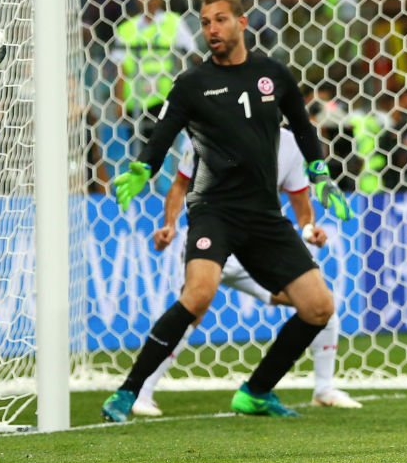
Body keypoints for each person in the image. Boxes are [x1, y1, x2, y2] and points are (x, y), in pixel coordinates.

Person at [101, 0, 353, 422]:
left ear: (243, 22)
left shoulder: (273, 75)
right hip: (213, 210)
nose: (211, 29)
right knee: (198, 296)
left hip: (263, 216)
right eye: (205, 22)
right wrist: (144, 167)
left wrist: (319, 173)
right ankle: (128, 392)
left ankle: (255, 392)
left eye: (220, 20)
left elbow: (302, 126)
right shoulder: (193, 83)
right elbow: (163, 134)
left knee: (318, 307)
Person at [133, 130, 362, 416]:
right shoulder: (213, 132)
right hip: (212, 243)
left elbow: (301, 202)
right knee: (190, 312)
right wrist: (170, 223)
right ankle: (142, 392)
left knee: (319, 305)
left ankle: (324, 389)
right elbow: (180, 185)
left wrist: (307, 229)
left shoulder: (290, 143)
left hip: (255, 250)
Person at [110, 0, 198, 151]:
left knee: (162, 149)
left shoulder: (173, 21)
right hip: (134, 98)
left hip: (164, 96)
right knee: (139, 151)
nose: (147, 0)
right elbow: (120, 68)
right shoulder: (126, 28)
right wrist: (119, 101)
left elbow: (191, 53)